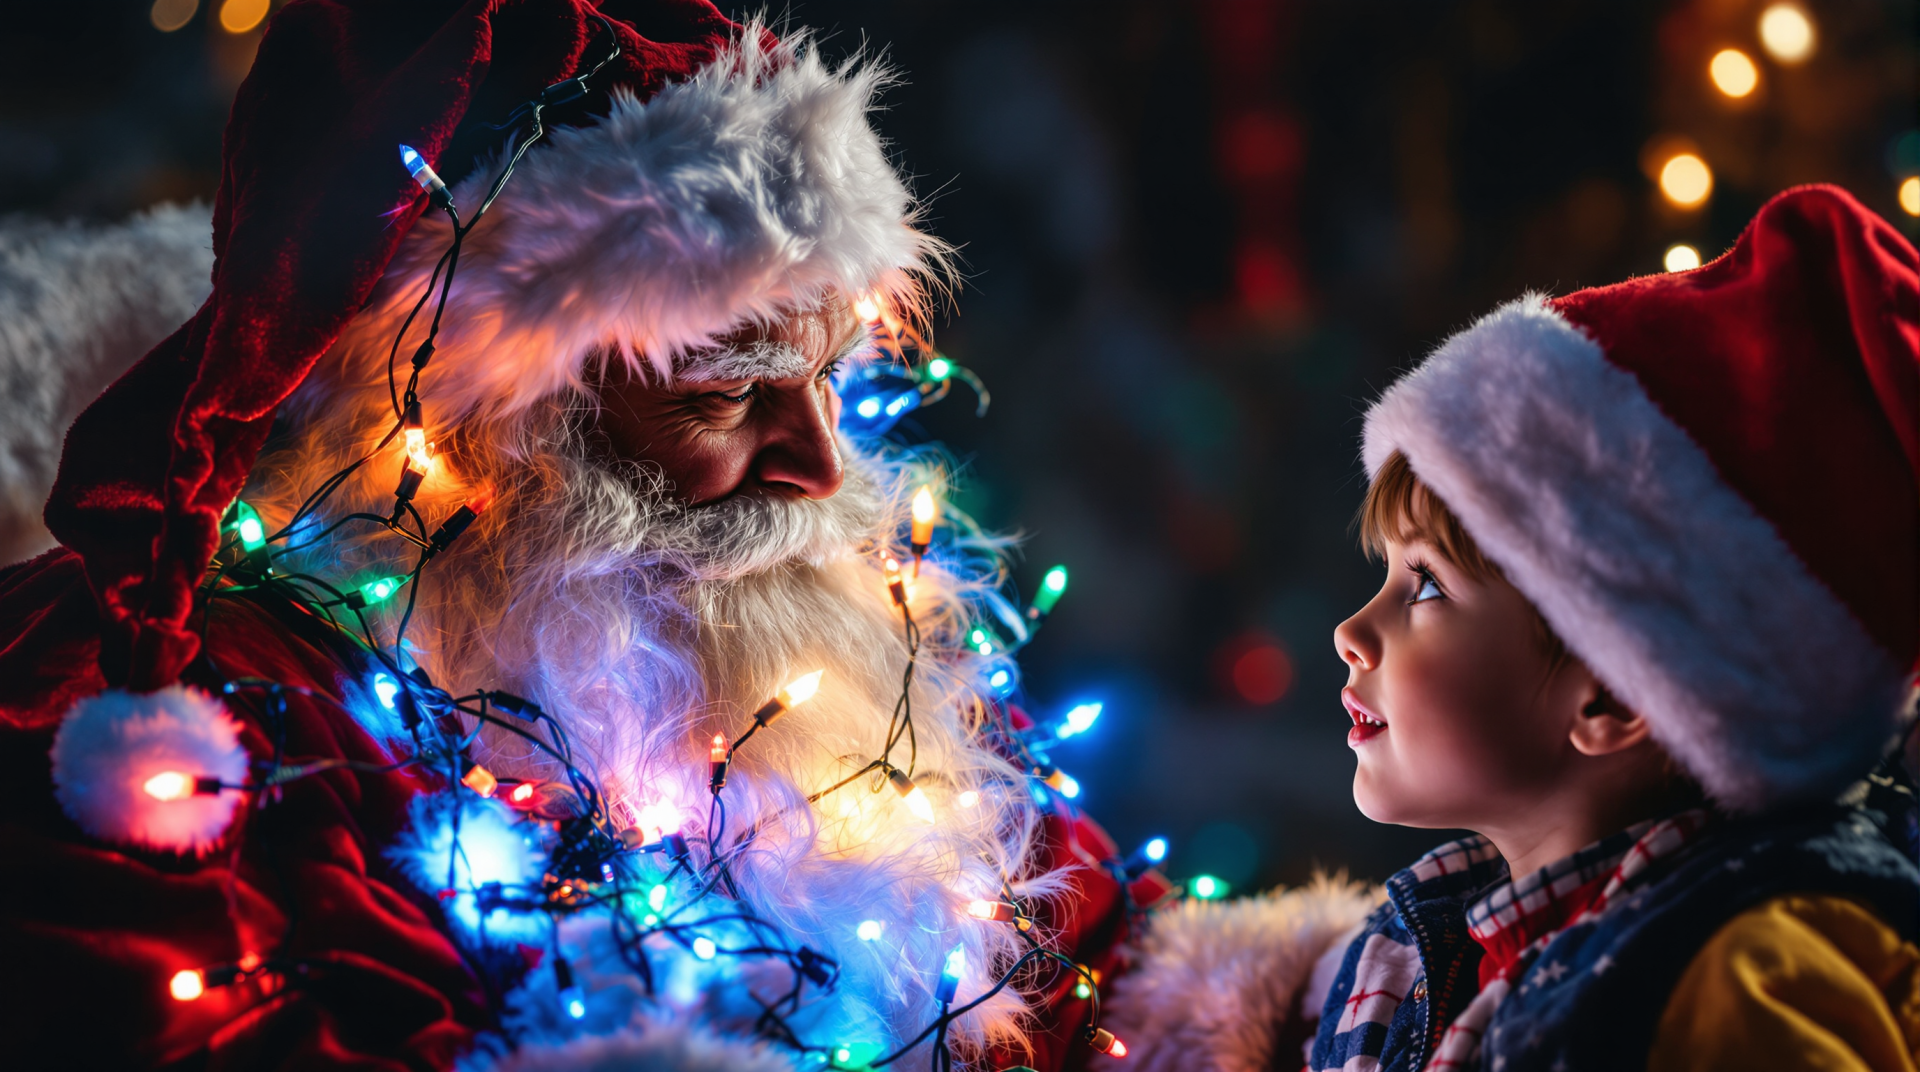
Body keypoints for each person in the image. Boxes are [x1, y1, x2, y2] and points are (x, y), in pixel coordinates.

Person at [0, 2, 1169, 1068]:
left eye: (828, 374)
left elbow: (1102, 953)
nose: (822, 468)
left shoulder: (837, 625)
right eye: (728, 391)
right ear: (485, 410)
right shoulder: (193, 718)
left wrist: (1248, 1003)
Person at [1106, 185, 1920, 1071]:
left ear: (1614, 693)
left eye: (1425, 586)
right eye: (1389, 575)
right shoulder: (1430, 953)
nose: (1351, 631)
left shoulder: (1735, 993)